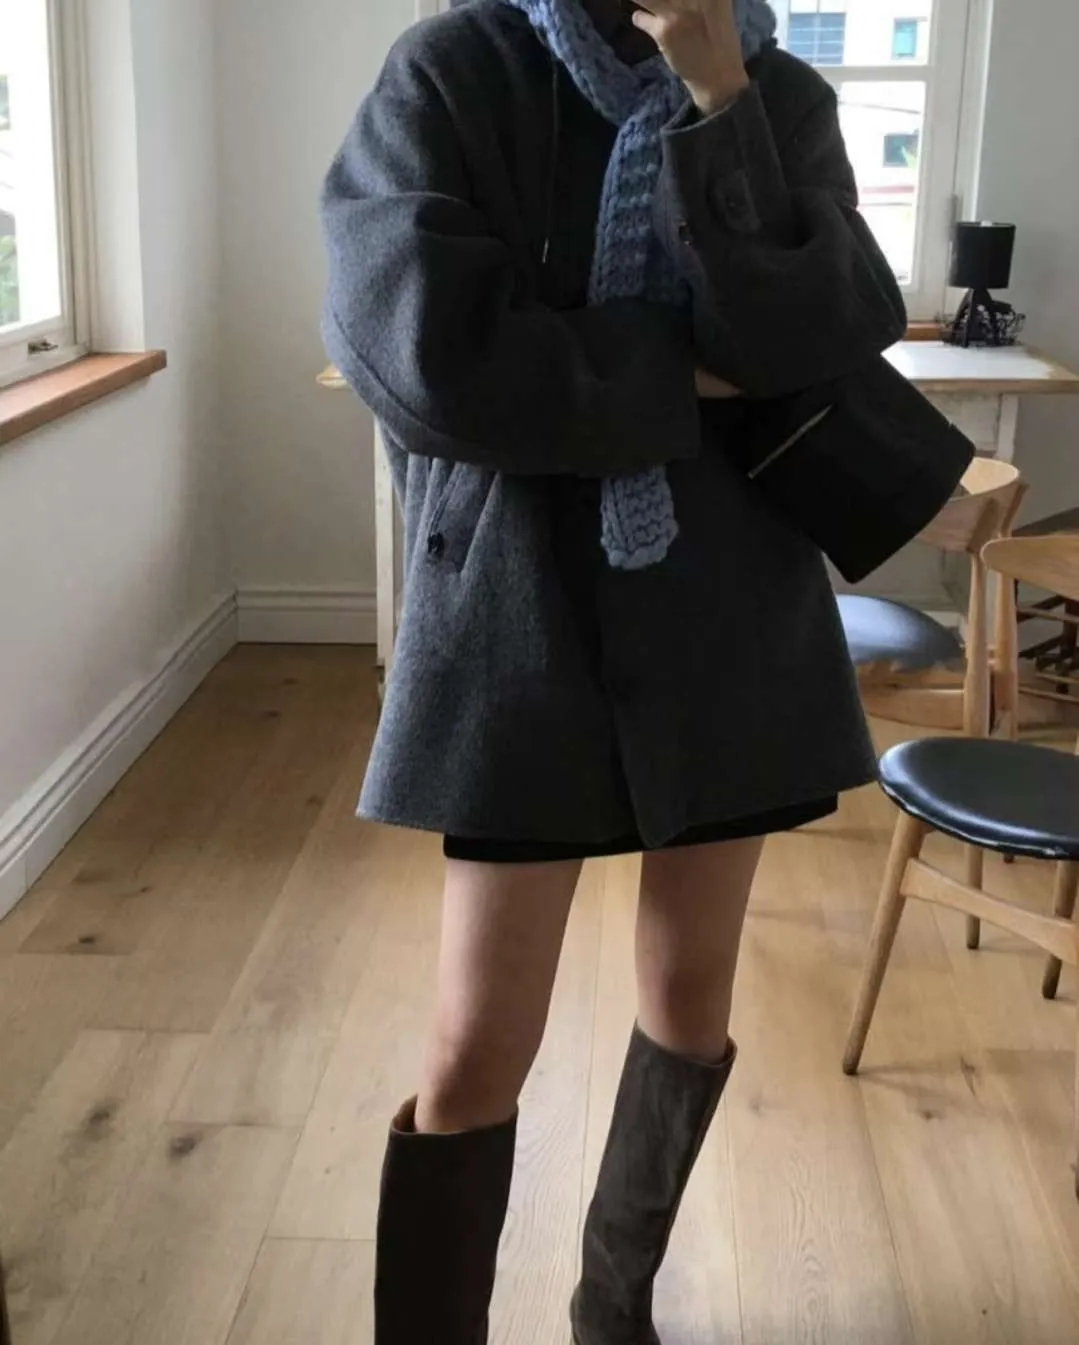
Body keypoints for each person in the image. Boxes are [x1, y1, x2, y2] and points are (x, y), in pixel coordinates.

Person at [321, 0, 906, 1339]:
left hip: (733, 619)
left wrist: (720, 107)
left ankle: (612, 1308)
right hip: (518, 612)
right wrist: (681, 372)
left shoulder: (776, 96)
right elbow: (423, 350)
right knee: (476, 1044)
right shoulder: (455, 69)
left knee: (689, 997)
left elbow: (820, 331)